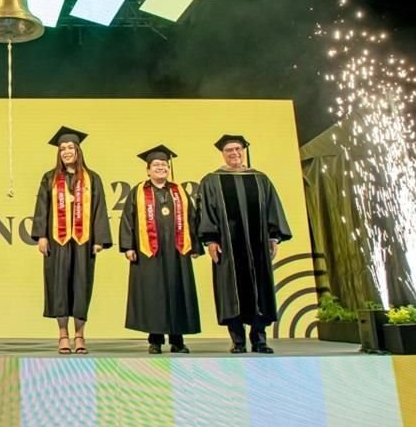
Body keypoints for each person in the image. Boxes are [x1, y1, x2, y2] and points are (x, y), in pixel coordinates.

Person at [198, 134, 292, 353]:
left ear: (244, 151)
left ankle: (260, 339)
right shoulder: (212, 180)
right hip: (228, 248)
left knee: (261, 289)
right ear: (223, 153)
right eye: (229, 150)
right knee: (231, 290)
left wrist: (273, 236)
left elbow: (272, 208)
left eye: (238, 149)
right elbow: (206, 212)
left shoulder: (260, 179)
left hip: (258, 247)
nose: (234, 154)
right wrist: (210, 239)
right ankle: (238, 340)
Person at [31, 126, 111, 355]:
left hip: (84, 242)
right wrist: (42, 236)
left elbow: (99, 209)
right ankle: (63, 334)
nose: (66, 151)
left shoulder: (92, 178)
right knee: (59, 286)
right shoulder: (49, 178)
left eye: (70, 147)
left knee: (81, 286)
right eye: (62, 148)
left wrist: (99, 239)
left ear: (78, 150)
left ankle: (80, 335)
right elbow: (41, 208)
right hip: (58, 242)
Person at [119, 145, 202, 353]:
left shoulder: (178, 191)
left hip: (177, 251)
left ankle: (177, 340)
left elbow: (192, 218)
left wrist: (195, 244)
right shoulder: (138, 192)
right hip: (149, 252)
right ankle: (154, 340)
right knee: (152, 293)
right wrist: (128, 246)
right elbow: (127, 220)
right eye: (156, 165)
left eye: (164, 165)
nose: (160, 168)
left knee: (177, 292)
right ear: (148, 170)